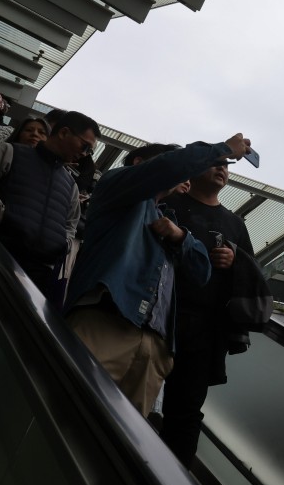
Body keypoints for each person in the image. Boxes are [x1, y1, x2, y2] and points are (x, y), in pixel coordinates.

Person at [64, 134, 252, 417]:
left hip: (154, 345)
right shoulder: (117, 188)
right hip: (105, 321)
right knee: (68, 413)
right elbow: (167, 168)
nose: (181, 175)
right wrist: (223, 149)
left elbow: (202, 270)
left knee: (123, 436)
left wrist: (180, 237)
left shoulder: (168, 219)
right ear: (139, 163)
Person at [160, 160, 270, 466]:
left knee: (187, 408)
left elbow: (252, 270)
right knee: (140, 391)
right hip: (161, 314)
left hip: (206, 328)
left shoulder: (234, 222)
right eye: (213, 163)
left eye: (226, 165)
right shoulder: (170, 204)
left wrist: (235, 260)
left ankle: (174, 476)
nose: (221, 169)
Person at [0, 112, 99, 307]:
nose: (85, 153)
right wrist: (5, 217)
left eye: (89, 151)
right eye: (84, 146)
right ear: (64, 133)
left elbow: (71, 224)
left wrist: (63, 244)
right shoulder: (9, 152)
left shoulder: (70, 185)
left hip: (36, 278)